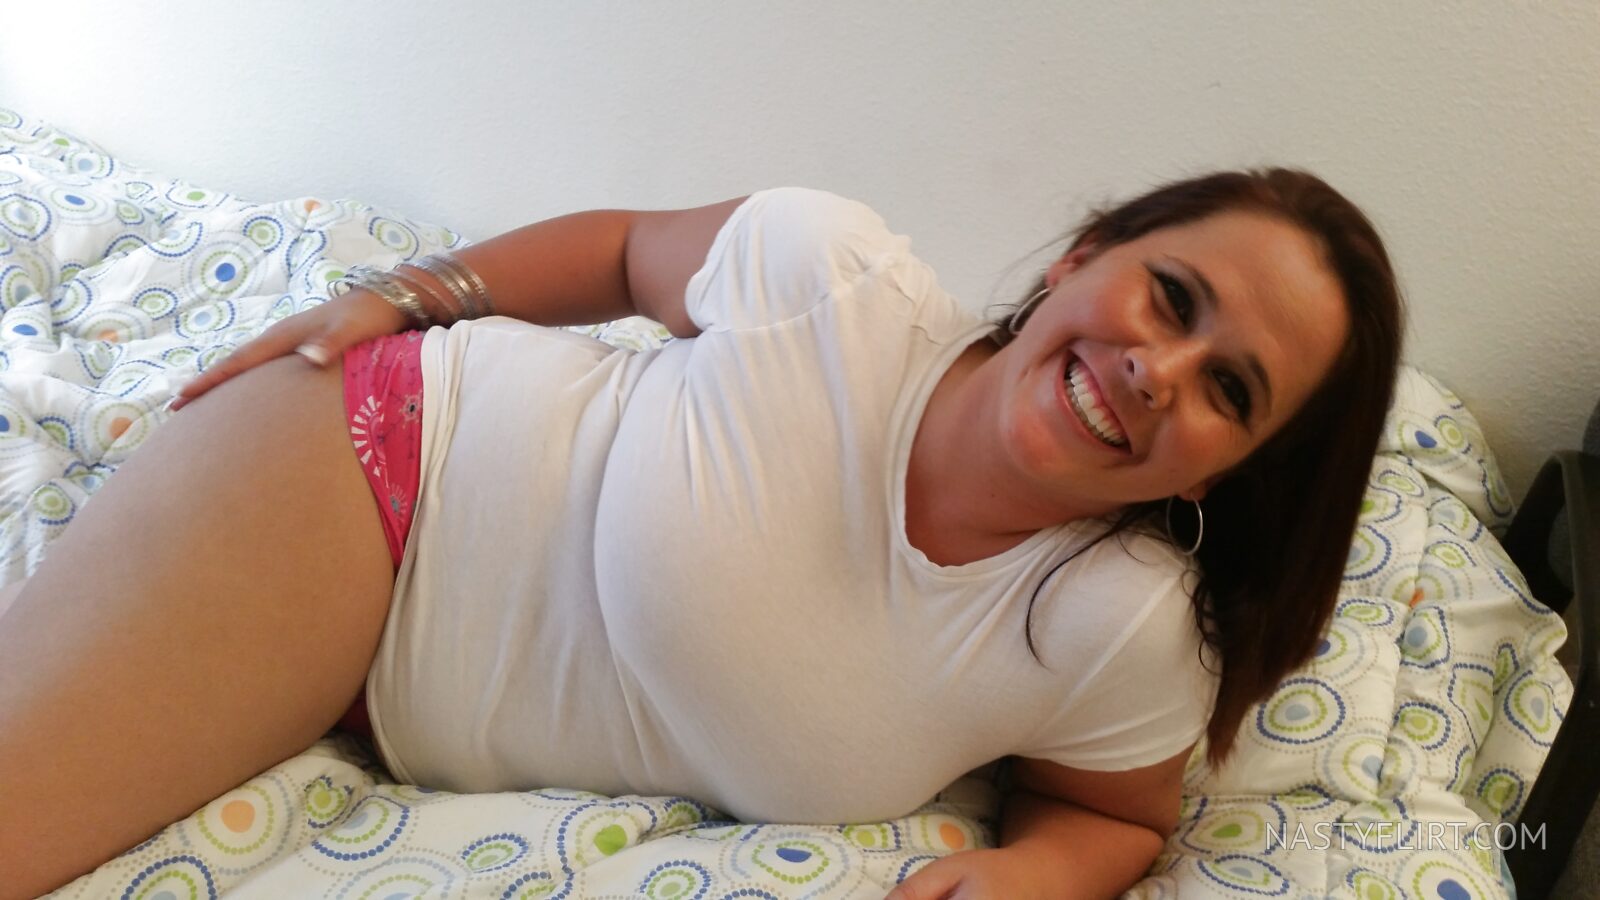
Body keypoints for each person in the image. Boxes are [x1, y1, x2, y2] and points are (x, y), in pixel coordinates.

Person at [0, 168, 1402, 899]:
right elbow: (625, 251)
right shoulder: (834, 278)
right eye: (1171, 297)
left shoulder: (1118, 626)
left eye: (1231, 389)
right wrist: (405, 293)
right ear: (1082, 257)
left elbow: (1112, 813)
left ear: (1239, 465)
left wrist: (1038, 872)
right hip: (378, 478)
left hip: (381, 705)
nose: (1161, 369)